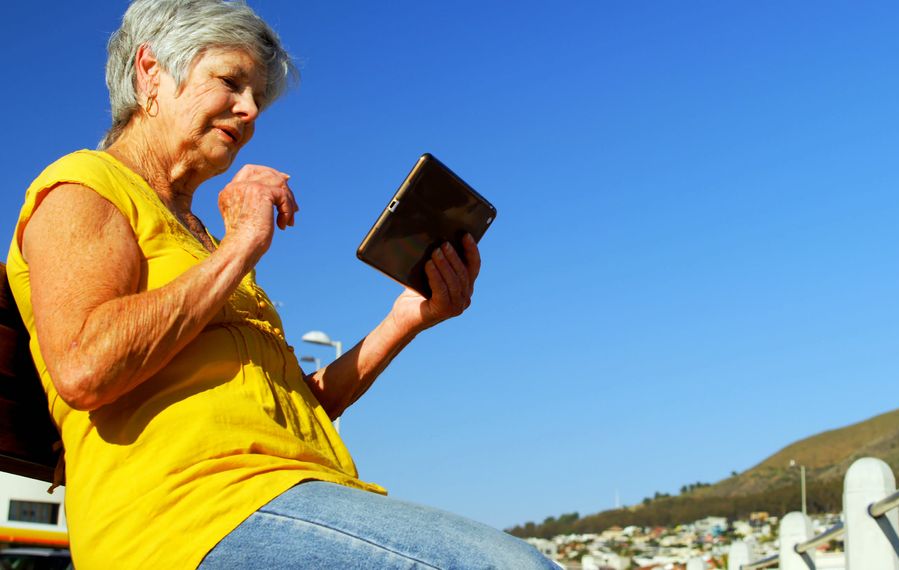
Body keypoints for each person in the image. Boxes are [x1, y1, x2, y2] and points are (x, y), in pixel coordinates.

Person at [5, 1, 555, 568]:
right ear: (151, 73)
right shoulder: (84, 187)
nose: (248, 111)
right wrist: (242, 245)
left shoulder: (201, 245)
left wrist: (407, 318)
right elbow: (85, 368)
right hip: (185, 516)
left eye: (258, 99)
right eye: (230, 82)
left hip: (290, 494)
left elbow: (300, 407)